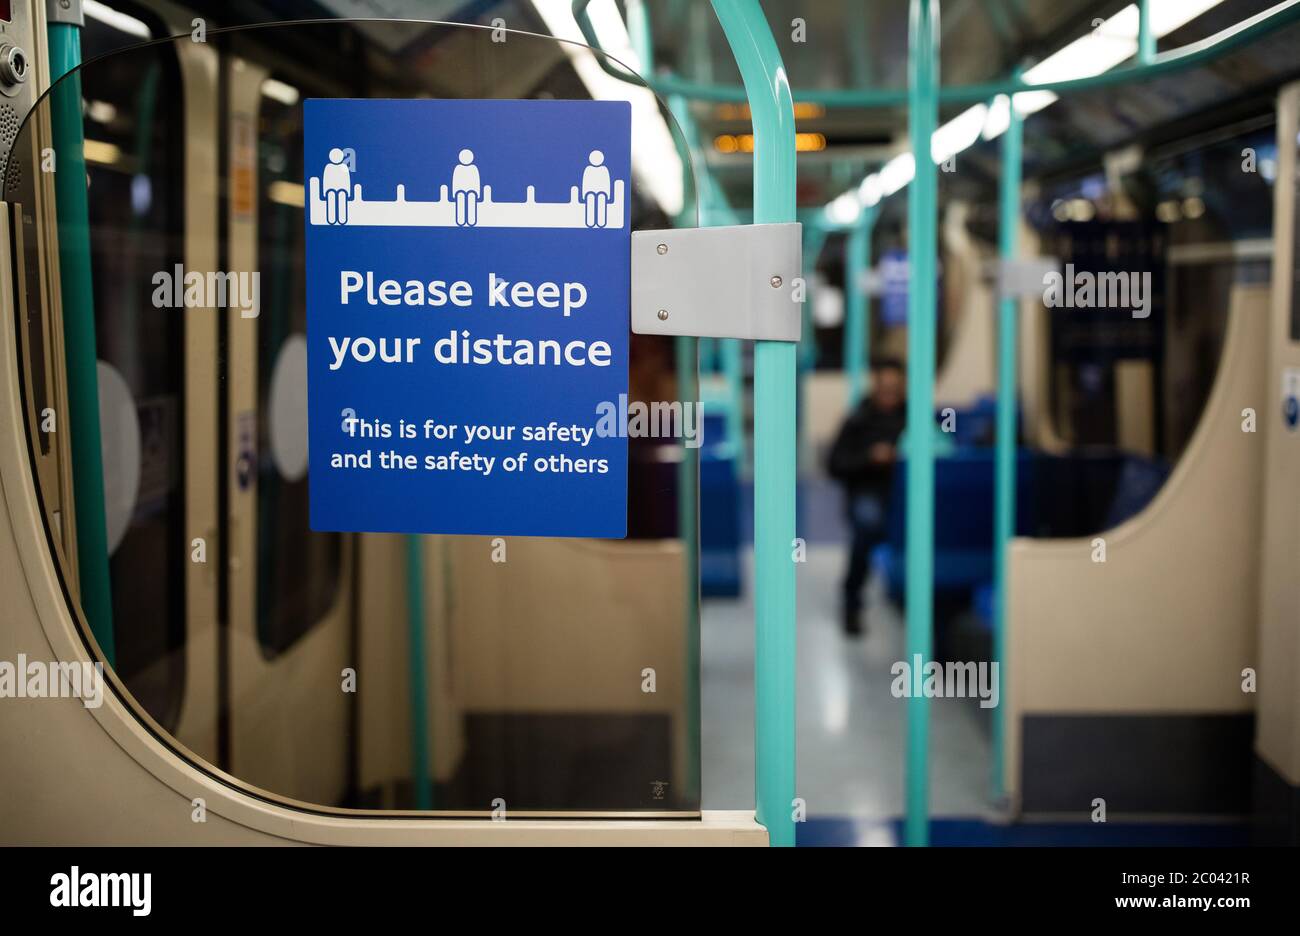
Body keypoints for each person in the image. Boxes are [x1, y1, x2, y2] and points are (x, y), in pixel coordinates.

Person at [827, 358, 907, 637]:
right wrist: (870, 458)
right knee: (868, 526)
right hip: (867, 492)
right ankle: (852, 601)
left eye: (895, 389)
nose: (889, 395)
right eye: (884, 388)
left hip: (905, 495)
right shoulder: (857, 420)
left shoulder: (915, 418)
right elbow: (834, 464)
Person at [452, 148, 481, 227]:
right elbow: (455, 180)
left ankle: (471, 220)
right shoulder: (458, 168)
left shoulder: (473, 168)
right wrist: (455, 192)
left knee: (471, 199)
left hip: (472, 192)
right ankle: (460, 220)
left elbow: (476, 180)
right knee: (460, 199)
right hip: (460, 191)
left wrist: (477, 193)